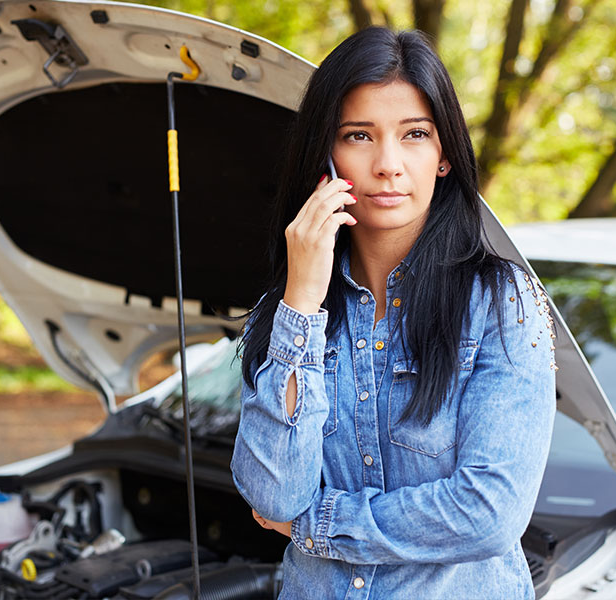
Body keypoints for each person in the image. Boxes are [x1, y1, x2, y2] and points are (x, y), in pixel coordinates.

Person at [230, 26, 556, 599]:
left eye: (414, 135)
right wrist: (302, 297)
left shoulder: (502, 303)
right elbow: (273, 495)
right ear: (324, 158)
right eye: (358, 135)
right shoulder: (287, 313)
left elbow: (490, 513)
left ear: (444, 156)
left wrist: (318, 525)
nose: (387, 164)